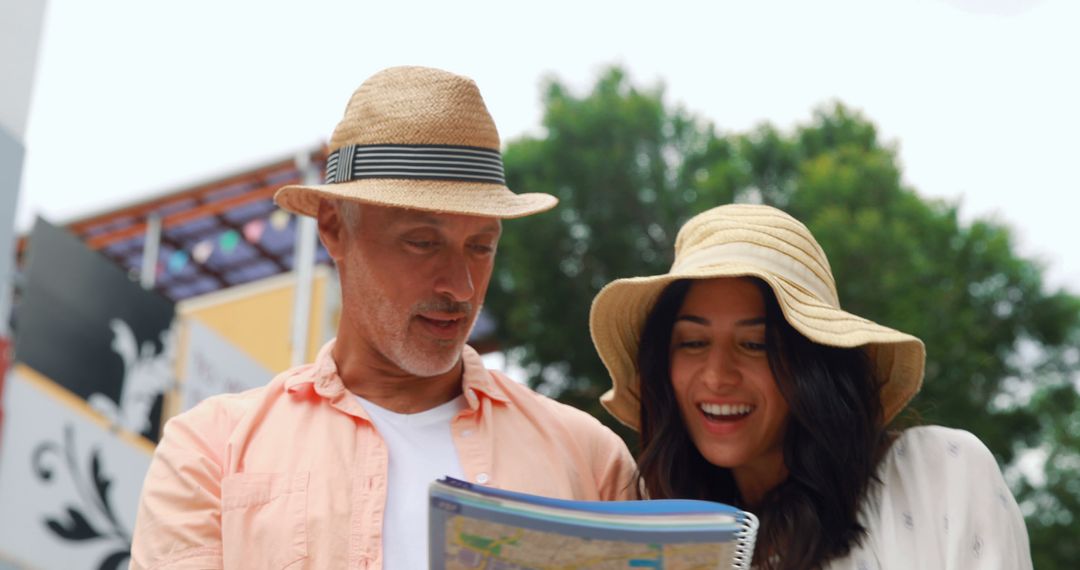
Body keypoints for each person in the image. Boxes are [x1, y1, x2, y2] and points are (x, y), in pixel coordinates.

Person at [130, 66, 636, 570]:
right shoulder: (209, 450)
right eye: (422, 242)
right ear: (334, 229)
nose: (460, 286)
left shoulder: (591, 460)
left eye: (481, 247)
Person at [589, 204, 1033, 569]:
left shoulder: (937, 470)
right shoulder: (659, 534)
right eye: (693, 342)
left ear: (814, 365)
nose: (717, 376)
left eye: (755, 344)